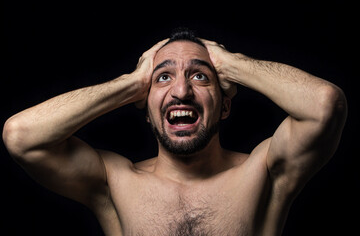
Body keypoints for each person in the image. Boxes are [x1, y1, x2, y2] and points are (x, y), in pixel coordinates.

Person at [3, 29, 347, 236]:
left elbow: (325, 105)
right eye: (163, 78)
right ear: (148, 110)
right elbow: (21, 136)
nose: (181, 92)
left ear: (225, 107)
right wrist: (132, 82)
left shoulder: (264, 171)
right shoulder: (115, 181)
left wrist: (230, 63)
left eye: (200, 76)